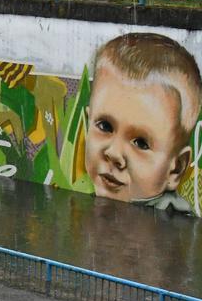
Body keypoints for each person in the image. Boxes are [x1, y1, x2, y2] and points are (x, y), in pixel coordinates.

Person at [83, 32, 202, 211]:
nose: (114, 153)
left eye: (140, 143)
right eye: (105, 126)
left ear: (176, 169)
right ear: (87, 123)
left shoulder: (166, 225)